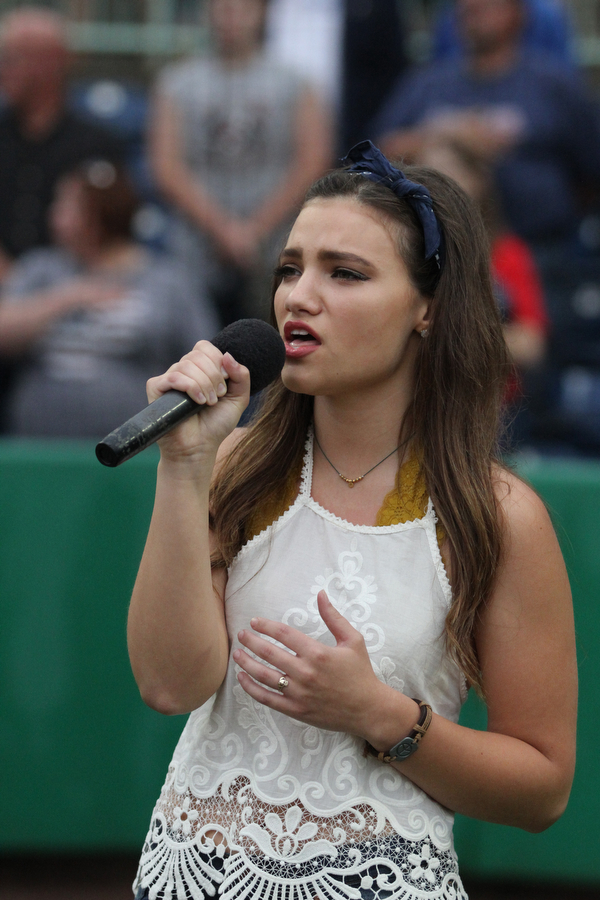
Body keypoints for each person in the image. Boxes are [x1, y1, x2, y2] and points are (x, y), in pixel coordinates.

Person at [128, 141, 577, 900]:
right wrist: (183, 468)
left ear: (427, 308)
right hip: (191, 877)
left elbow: (541, 790)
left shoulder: (500, 516)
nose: (300, 296)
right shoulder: (230, 463)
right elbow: (171, 685)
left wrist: (381, 715)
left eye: (345, 273)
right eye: (290, 268)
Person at [0, 160, 218, 438]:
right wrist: (66, 298)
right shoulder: (42, 269)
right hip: (37, 447)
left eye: (66, 206)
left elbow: (204, 354)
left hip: (133, 449)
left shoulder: (167, 281)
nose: (53, 216)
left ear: (98, 215)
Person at [150, 0, 332, 325]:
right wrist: (223, 230)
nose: (230, 17)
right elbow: (167, 168)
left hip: (275, 238)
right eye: (221, 8)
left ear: (261, 14)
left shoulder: (297, 83)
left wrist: (253, 231)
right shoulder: (175, 83)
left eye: (241, 8)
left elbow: (312, 162)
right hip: (196, 241)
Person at [372, 0, 600, 250]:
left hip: (545, 248)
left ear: (518, 14)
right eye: (466, 8)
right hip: (443, 245)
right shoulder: (427, 83)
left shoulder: (553, 83)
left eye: (487, 6)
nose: (473, 10)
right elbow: (377, 155)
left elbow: (590, 168)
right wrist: (445, 134)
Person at [0, 7, 123, 276]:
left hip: (69, 290)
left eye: (11, 60)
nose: (2, 71)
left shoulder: (95, 144)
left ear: (48, 63)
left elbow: (111, 239)